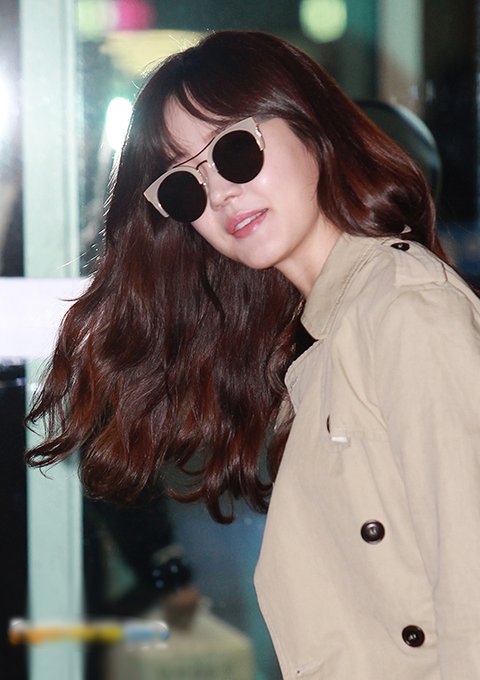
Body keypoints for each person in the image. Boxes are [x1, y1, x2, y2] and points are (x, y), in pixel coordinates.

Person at [26, 30, 480, 679]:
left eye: (235, 151)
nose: (219, 194)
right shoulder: (320, 333)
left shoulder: (403, 309)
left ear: (311, 127)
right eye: (184, 188)